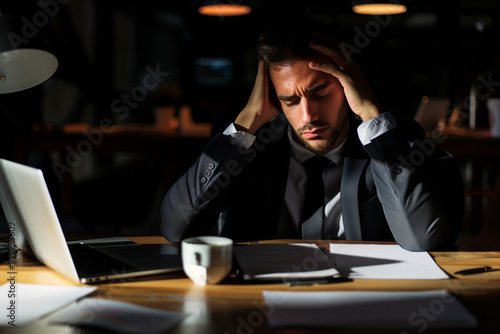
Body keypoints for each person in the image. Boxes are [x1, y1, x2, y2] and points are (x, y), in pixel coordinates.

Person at [160, 15, 464, 251]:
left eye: (320, 92)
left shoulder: (389, 142)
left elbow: (423, 238)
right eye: (290, 100)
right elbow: (176, 229)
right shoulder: (244, 146)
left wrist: (370, 113)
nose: (309, 116)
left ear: (347, 83)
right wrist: (247, 119)